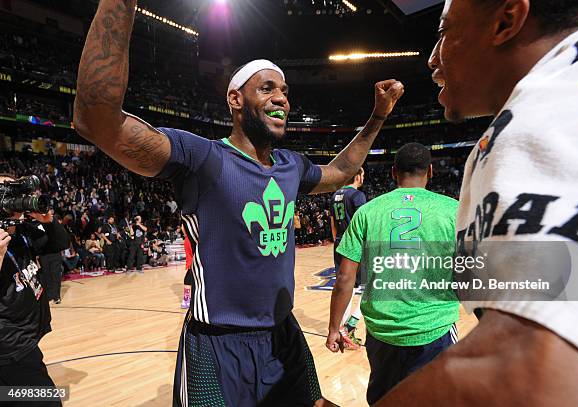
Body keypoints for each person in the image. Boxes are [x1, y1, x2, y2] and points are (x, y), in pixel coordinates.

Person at [74, 1, 403, 404]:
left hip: (282, 333)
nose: (281, 97)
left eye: (284, 90)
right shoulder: (203, 157)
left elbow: (340, 170)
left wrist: (377, 117)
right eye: (267, 88)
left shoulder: (291, 166)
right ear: (235, 99)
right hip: (216, 343)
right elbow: (96, 118)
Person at [376, 1, 578, 405]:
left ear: (506, 21)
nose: (433, 58)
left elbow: (532, 373)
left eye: (445, 32)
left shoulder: (552, 115)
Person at [326, 143, 460, 405]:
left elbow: (344, 277)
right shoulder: (453, 209)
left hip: (382, 331)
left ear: (393, 172)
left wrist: (333, 328)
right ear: (431, 172)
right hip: (435, 328)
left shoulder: (368, 211)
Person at [0, 178, 69, 406]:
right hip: (11, 344)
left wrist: (48, 222)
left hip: (26, 334)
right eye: (6, 190)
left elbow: (59, 243)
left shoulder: (23, 230)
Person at [330, 167, 367, 350]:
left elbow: (332, 222)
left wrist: (337, 241)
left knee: (345, 286)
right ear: (358, 176)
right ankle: (349, 326)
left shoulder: (335, 194)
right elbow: (363, 222)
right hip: (355, 245)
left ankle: (341, 328)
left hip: (339, 243)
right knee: (372, 287)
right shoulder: (357, 195)